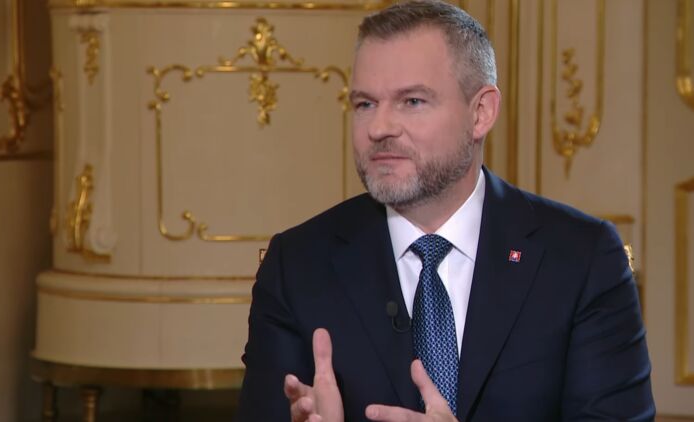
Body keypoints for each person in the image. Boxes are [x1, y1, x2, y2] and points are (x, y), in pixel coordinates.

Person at [235, 1, 655, 421]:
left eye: (412, 101)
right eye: (364, 104)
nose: (379, 128)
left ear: (481, 113)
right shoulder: (296, 266)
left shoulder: (583, 259)